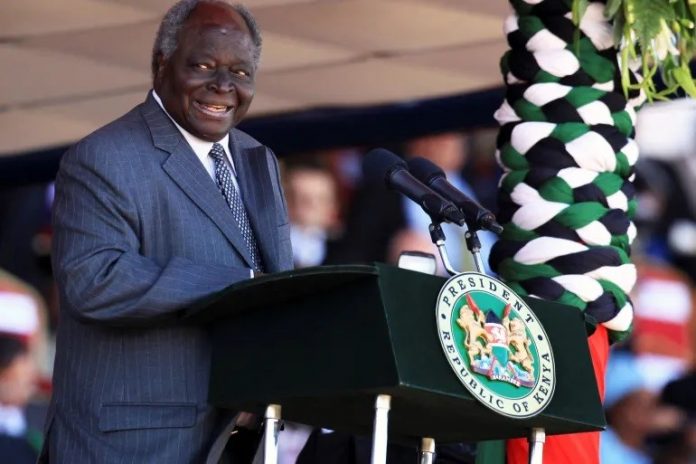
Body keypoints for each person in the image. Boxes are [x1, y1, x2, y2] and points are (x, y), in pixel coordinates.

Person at [41, 1, 292, 462]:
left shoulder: (259, 159)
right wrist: (240, 287)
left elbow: (275, 288)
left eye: (240, 72)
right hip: (131, 446)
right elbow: (95, 281)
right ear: (161, 65)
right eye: (203, 66)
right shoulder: (104, 157)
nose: (223, 86)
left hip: (238, 440)